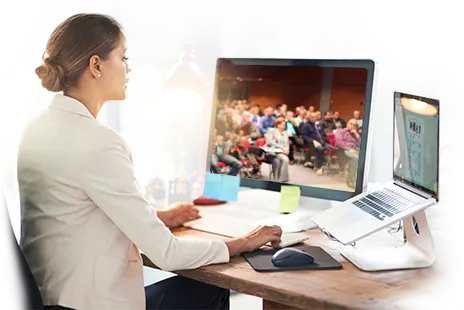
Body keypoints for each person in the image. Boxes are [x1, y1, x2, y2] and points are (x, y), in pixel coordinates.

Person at [17, 13, 282, 310]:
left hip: (50, 300)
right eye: (123, 56)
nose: (129, 69)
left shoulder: (34, 128)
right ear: (96, 66)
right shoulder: (99, 142)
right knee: (209, 290)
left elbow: (74, 214)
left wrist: (157, 218)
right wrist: (243, 242)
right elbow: (168, 254)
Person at [335, 119, 361, 188]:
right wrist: (350, 149)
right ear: (347, 124)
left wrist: (356, 134)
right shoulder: (340, 131)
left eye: (354, 125)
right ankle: (350, 180)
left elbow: (361, 144)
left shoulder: (355, 133)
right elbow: (339, 142)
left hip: (356, 149)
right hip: (345, 150)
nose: (352, 126)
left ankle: (360, 179)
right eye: (351, 124)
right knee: (355, 158)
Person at [265, 117, 290, 182]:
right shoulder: (271, 130)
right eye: (280, 124)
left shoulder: (285, 133)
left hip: (281, 152)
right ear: (277, 124)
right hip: (272, 151)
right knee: (278, 161)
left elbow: (287, 144)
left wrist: (287, 150)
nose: (282, 126)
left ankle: (282, 179)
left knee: (285, 159)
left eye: (284, 125)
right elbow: (269, 142)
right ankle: (277, 179)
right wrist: (282, 147)